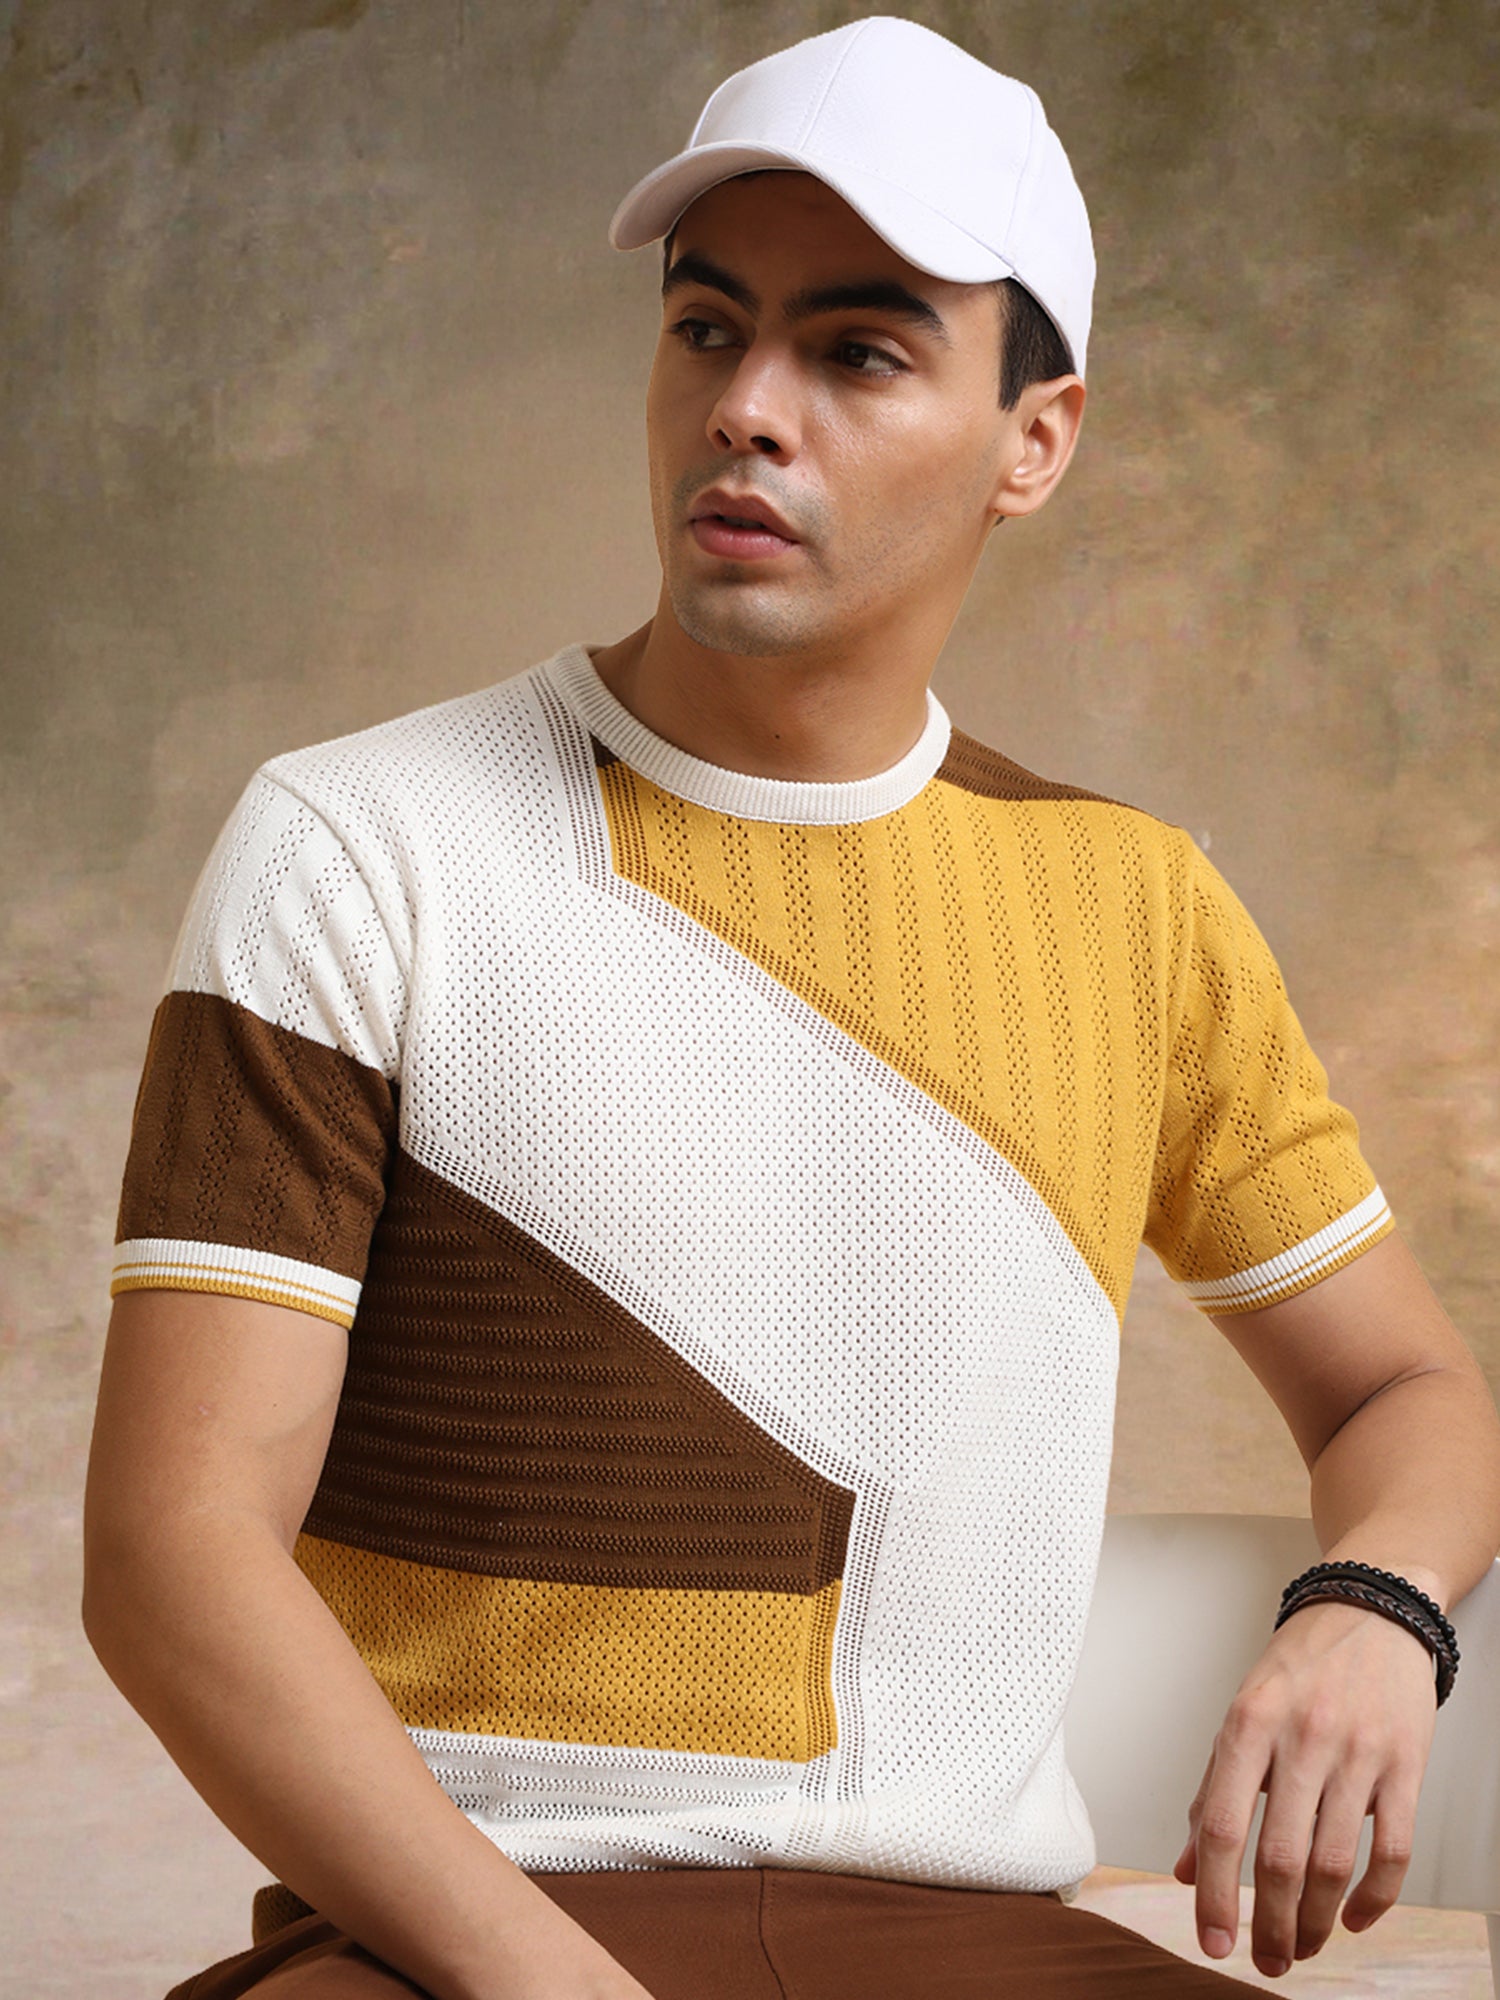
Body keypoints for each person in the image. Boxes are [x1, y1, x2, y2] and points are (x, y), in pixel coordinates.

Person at [83, 16, 1500, 2000]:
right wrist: (546, 1984)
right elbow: (171, 1549)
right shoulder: (359, 844)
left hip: (977, 1948)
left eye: (857, 352)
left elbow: (1407, 1389)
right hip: (457, 1947)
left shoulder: (1139, 911)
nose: (747, 409)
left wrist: (1375, 1605)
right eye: (705, 327)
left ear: (1035, 441)